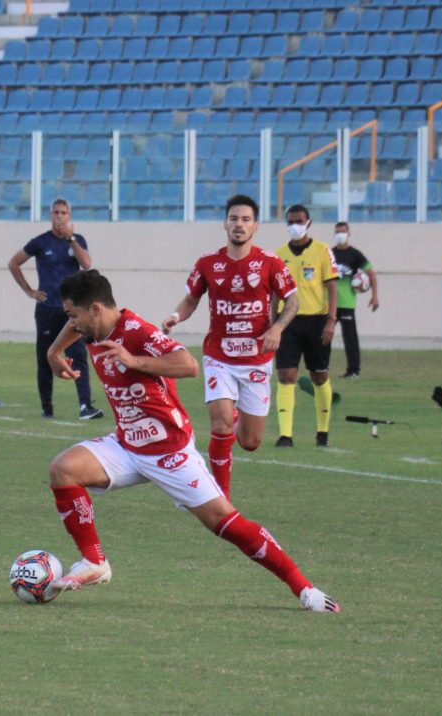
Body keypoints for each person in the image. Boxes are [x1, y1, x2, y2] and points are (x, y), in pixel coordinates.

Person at [44, 269, 339, 612]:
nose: (71, 324)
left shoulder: (137, 332)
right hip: (126, 445)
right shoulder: (93, 327)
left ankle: (304, 589)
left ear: (95, 309)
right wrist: (54, 352)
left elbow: (189, 365)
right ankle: (95, 562)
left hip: (170, 451)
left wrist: (134, 361)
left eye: (73, 315)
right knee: (63, 470)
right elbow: (73, 329)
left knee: (228, 525)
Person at [160, 195, 299, 499]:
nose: (239, 224)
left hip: (257, 360)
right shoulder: (208, 262)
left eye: (246, 219)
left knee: (250, 442)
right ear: (225, 223)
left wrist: (277, 328)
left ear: (255, 226)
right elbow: (191, 300)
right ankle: (221, 497)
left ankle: (237, 419)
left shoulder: (271, 263)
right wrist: (175, 317)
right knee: (221, 424)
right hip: (219, 357)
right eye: (234, 218)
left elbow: (293, 301)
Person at [8, 198, 103, 420]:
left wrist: (71, 238)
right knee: (45, 356)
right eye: (56, 212)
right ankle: (47, 407)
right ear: (50, 215)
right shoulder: (41, 242)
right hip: (48, 309)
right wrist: (30, 291)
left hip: (72, 310)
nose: (59, 216)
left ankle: (85, 406)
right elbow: (14, 263)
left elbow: (87, 264)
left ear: (69, 216)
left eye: (63, 213)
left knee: (77, 354)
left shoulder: (77, 240)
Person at [274, 205, 340, 448]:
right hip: (287, 321)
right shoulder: (279, 255)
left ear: (308, 223)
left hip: (317, 320)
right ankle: (285, 435)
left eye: (299, 221)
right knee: (286, 374)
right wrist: (272, 324)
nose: (295, 226)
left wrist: (331, 320)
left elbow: (332, 288)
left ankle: (322, 432)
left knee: (319, 375)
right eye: (291, 221)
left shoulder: (322, 251)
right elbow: (274, 293)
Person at [331, 222, 379, 379]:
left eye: (343, 232)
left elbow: (371, 274)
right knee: (322, 337)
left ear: (348, 233)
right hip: (330, 304)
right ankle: (320, 369)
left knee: (350, 338)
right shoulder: (329, 254)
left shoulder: (355, 254)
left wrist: (374, 296)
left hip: (347, 304)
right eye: (337, 232)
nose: (340, 235)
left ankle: (353, 371)